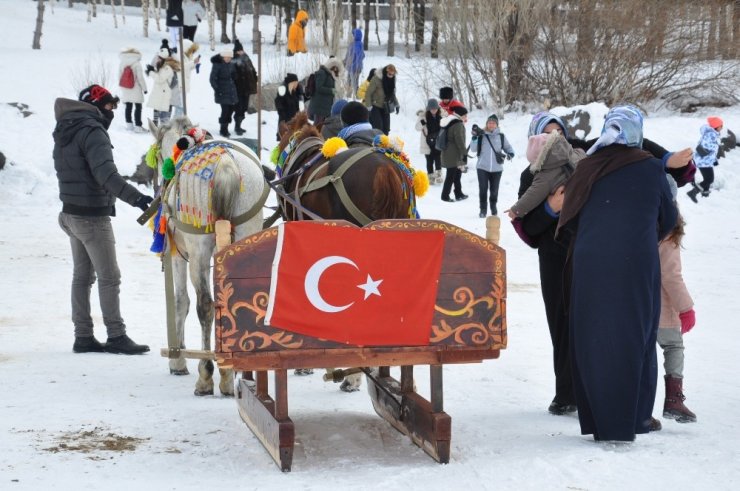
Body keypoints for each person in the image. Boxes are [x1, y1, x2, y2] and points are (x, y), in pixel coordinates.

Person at [513, 111, 697, 418]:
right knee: (562, 325)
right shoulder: (530, 175)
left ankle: (597, 394)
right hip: (555, 260)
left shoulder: (587, 158)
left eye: (559, 130)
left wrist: (667, 159)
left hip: (591, 257)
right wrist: (550, 207)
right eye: (547, 132)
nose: (555, 137)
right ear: (535, 138)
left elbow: (629, 148)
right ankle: (567, 393)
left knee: (595, 326)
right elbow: (528, 228)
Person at [556, 105, 678, 442]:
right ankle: (636, 417)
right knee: (635, 336)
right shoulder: (652, 168)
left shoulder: (586, 167)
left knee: (593, 335)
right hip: (635, 263)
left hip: (591, 262)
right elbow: (668, 217)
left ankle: (598, 419)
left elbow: (569, 216)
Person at [53, 84, 153, 355]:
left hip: (70, 213)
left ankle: (83, 336)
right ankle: (116, 335)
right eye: (109, 106)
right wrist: (139, 199)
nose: (112, 112)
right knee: (110, 277)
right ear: (96, 105)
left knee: (82, 277)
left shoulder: (67, 127)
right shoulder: (92, 130)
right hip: (92, 218)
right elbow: (106, 175)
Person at [657, 197, 697, 424]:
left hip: (638, 306)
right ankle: (674, 399)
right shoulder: (668, 235)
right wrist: (686, 308)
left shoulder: (643, 229)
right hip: (662, 309)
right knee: (673, 346)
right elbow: (671, 276)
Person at [507, 131, 584, 220]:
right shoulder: (577, 152)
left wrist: (516, 210)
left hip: (570, 207)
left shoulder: (544, 177)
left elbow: (532, 195)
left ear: (537, 162)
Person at [472, 114, 515, 217]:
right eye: (489, 123)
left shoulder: (501, 136)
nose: (491, 124)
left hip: (497, 169)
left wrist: (510, 154)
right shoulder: (481, 135)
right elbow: (473, 149)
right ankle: (483, 209)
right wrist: (475, 137)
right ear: (487, 124)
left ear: (496, 125)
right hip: (482, 167)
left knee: (494, 190)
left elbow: (508, 148)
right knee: (483, 189)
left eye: (493, 123)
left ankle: (493, 206)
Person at [687, 116, 723, 202]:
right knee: (709, 179)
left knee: (708, 179)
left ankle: (705, 195)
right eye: (721, 125)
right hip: (704, 161)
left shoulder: (711, 133)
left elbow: (709, 150)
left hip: (705, 160)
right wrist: (715, 146)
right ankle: (693, 192)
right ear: (716, 126)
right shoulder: (711, 134)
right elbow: (706, 145)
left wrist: (714, 160)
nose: (722, 127)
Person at [439, 105, 469, 202]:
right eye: (465, 115)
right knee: (451, 175)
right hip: (453, 154)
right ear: (460, 115)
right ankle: (445, 195)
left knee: (457, 174)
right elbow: (459, 140)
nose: (466, 117)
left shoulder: (450, 121)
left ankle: (458, 193)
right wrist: (464, 153)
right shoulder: (458, 124)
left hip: (449, 152)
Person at [117, 47, 147, 133]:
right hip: (136, 87)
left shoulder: (122, 62)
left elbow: (119, 76)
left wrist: (123, 88)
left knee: (128, 106)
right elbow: (140, 78)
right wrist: (144, 89)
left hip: (126, 88)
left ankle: (129, 125)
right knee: (138, 107)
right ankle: (138, 126)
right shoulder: (137, 63)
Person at [363, 64, 399, 135]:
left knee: (386, 128)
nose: (391, 76)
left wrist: (396, 104)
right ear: (385, 72)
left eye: (392, 74)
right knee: (378, 127)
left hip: (386, 107)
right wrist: (369, 106)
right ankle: (376, 143)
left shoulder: (392, 80)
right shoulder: (376, 79)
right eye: (389, 74)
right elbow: (368, 93)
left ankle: (384, 144)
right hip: (375, 106)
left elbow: (392, 94)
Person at [209, 48, 238, 137]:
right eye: (227, 57)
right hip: (222, 92)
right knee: (225, 111)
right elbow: (212, 79)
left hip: (231, 91)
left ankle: (226, 126)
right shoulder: (217, 65)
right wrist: (218, 89)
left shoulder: (231, 64)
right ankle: (223, 129)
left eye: (230, 57)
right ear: (223, 57)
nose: (229, 59)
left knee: (231, 109)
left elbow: (233, 76)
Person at [232, 39, 258, 136]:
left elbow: (252, 70)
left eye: (241, 50)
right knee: (239, 108)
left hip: (247, 89)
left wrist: (255, 79)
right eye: (239, 50)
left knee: (244, 108)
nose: (241, 52)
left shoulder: (246, 58)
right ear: (236, 51)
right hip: (238, 90)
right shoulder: (233, 60)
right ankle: (237, 126)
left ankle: (239, 125)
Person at [146, 42, 176, 125]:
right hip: (159, 91)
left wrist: (151, 72)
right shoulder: (162, 66)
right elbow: (158, 75)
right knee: (156, 106)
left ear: (163, 58)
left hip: (164, 93)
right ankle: (155, 123)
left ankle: (164, 127)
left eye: (159, 58)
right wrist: (152, 69)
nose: (157, 59)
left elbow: (160, 79)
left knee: (163, 112)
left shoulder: (167, 68)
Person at [415, 98, 443, 185]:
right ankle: (430, 176)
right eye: (432, 109)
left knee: (438, 158)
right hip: (427, 142)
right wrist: (423, 122)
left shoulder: (441, 115)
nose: (434, 110)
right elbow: (417, 128)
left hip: (438, 141)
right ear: (428, 108)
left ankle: (438, 175)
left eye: (435, 108)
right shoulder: (423, 116)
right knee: (429, 160)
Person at [307, 58, 342, 126]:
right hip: (319, 106)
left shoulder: (329, 74)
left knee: (321, 126)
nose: (336, 70)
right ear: (331, 66)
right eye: (335, 68)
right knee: (318, 126)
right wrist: (331, 90)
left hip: (324, 106)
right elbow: (319, 88)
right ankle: (313, 136)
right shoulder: (322, 73)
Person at [274, 73, 303, 140]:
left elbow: (298, 104)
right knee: (285, 140)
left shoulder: (296, 92)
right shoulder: (282, 91)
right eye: (295, 83)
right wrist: (284, 118)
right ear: (291, 83)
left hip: (294, 120)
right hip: (285, 121)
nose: (297, 84)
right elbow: (279, 104)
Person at [344, 27, 365, 96]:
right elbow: (348, 55)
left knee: (354, 82)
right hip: (350, 67)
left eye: (353, 35)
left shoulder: (358, 45)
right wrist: (345, 61)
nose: (352, 36)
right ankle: (349, 94)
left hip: (355, 68)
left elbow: (360, 56)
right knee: (349, 81)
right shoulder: (352, 44)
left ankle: (357, 95)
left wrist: (355, 66)